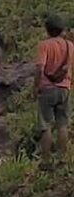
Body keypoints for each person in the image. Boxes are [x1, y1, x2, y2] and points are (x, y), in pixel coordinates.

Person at [34, 14, 73, 162]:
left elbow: (40, 68)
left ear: (47, 29)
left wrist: (36, 86)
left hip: (47, 89)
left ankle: (46, 160)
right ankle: (62, 158)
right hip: (65, 88)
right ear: (62, 30)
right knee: (62, 124)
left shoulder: (44, 45)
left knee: (46, 125)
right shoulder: (70, 46)